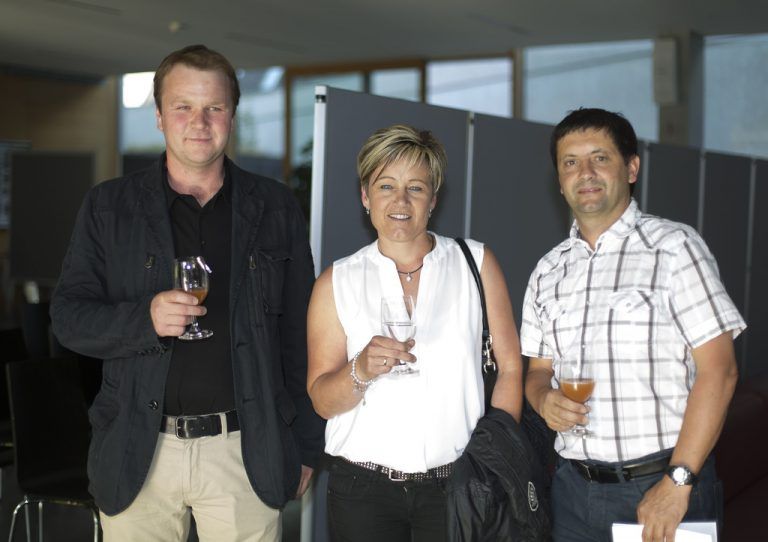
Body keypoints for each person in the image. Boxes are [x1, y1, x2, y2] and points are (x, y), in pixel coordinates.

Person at [50, 44, 325, 541]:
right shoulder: (108, 208)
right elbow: (68, 318)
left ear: (232, 116)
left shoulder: (275, 208)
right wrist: (144, 319)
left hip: (244, 452)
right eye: (183, 107)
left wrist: (306, 446)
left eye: (214, 107)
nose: (200, 122)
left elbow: (301, 337)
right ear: (159, 116)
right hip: (139, 451)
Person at [521, 108, 746, 542]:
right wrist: (543, 399)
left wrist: (678, 482)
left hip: (662, 484)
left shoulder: (675, 248)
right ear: (559, 177)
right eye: (570, 162)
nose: (584, 172)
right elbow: (536, 372)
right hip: (571, 491)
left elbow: (720, 370)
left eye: (599, 158)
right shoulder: (548, 270)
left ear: (631, 167)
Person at [306, 124, 524, 541]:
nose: (400, 201)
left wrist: (494, 459)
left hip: (458, 484)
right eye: (386, 186)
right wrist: (361, 370)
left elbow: (511, 368)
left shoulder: (475, 263)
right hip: (362, 492)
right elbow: (321, 399)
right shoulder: (337, 281)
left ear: (433, 200)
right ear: (366, 197)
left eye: (416, 188)